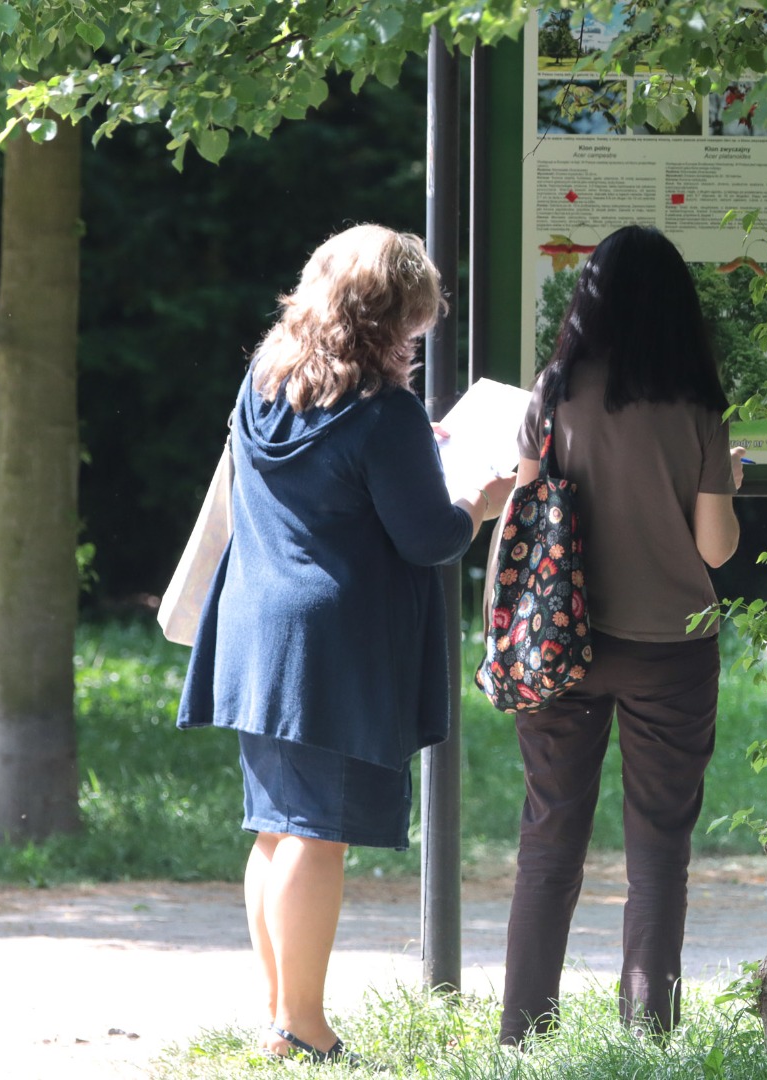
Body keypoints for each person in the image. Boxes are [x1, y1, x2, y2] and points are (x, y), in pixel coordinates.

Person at [176, 224, 514, 1062]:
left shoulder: (264, 379)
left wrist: (414, 456)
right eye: (412, 325)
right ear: (388, 319)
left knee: (275, 829)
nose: (414, 341)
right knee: (316, 834)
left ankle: (279, 1014)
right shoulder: (384, 411)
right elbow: (428, 538)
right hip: (334, 643)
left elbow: (334, 478)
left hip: (256, 627)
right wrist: (479, 500)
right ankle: (306, 1028)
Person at [499, 224, 744, 1045]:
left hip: (560, 646)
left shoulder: (556, 391)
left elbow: (528, 519)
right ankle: (648, 1033)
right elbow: (715, 550)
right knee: (658, 848)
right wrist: (726, 482)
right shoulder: (699, 406)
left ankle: (524, 1032)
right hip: (670, 651)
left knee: (549, 833)